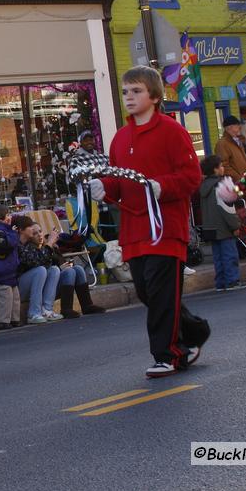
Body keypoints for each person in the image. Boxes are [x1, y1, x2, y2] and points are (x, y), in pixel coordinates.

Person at [89, 66, 207, 378]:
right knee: (147, 292)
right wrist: (104, 187)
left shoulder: (172, 131)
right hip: (134, 229)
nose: (129, 96)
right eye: (126, 91)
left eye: (136, 91)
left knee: (162, 293)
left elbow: (191, 176)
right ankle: (194, 331)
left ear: (154, 96)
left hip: (166, 227)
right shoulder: (120, 138)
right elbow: (119, 180)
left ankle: (167, 354)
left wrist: (162, 186)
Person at [199, 155, 246, 291]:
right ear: (215, 170)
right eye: (220, 166)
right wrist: (235, 226)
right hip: (224, 228)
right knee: (229, 255)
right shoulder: (221, 185)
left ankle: (220, 282)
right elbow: (227, 208)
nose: (222, 168)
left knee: (218, 257)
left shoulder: (204, 186)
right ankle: (232, 280)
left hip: (211, 227)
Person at [14, 216, 61, 323]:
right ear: (21, 230)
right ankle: (33, 313)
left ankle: (46, 309)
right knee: (40, 270)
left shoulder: (31, 244)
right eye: (30, 227)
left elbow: (44, 262)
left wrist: (49, 245)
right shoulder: (16, 244)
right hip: (16, 288)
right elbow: (34, 261)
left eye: (39, 231)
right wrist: (49, 244)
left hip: (31, 284)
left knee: (54, 269)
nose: (34, 230)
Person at [215, 116, 246, 183]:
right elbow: (224, 165)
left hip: (244, 182)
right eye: (237, 125)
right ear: (229, 128)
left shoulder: (238, 140)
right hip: (235, 184)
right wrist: (239, 178)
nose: (240, 127)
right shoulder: (222, 144)